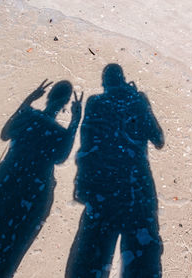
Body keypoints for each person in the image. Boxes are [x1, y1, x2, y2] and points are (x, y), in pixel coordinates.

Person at [0, 80, 82, 278]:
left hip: (8, 179)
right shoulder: (58, 132)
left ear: (48, 96)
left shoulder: (28, 116)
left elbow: (5, 134)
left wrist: (27, 101)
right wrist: (75, 122)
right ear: (65, 104)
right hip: (34, 189)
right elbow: (60, 157)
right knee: (9, 248)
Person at [66, 64, 164, 278]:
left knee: (96, 255)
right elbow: (158, 139)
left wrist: (81, 183)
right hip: (137, 188)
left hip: (104, 185)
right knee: (141, 262)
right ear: (122, 79)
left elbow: (87, 146)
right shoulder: (138, 100)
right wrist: (141, 105)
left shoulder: (95, 103)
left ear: (104, 83)